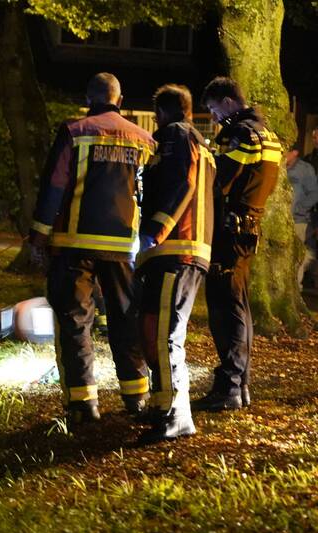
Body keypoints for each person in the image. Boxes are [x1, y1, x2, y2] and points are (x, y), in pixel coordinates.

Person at [29, 72, 155, 428]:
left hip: (74, 243)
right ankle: (137, 396)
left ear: (89, 98)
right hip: (124, 247)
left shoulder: (75, 132)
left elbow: (54, 187)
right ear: (120, 99)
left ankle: (84, 403)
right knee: (126, 317)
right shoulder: (144, 140)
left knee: (74, 321)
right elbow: (149, 192)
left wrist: (38, 236)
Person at [195, 77, 282, 412]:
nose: (215, 117)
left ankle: (229, 386)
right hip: (248, 226)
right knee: (239, 304)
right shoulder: (268, 134)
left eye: (214, 109)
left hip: (230, 230)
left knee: (225, 307)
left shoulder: (243, 134)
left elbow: (219, 180)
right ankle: (239, 384)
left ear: (228, 101)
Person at [135, 84, 215, 442]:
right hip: (179, 251)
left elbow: (182, 183)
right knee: (154, 330)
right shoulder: (198, 142)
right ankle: (162, 403)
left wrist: (155, 230)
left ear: (162, 113)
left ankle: (175, 415)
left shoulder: (175, 136)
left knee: (165, 335)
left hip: (175, 250)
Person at [286, 144, 318, 290]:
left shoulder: (305, 169)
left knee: (297, 256)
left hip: (299, 221)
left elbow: (314, 193)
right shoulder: (282, 167)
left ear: (294, 153)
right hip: (284, 220)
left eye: (286, 152)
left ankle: (296, 288)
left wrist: (300, 209)